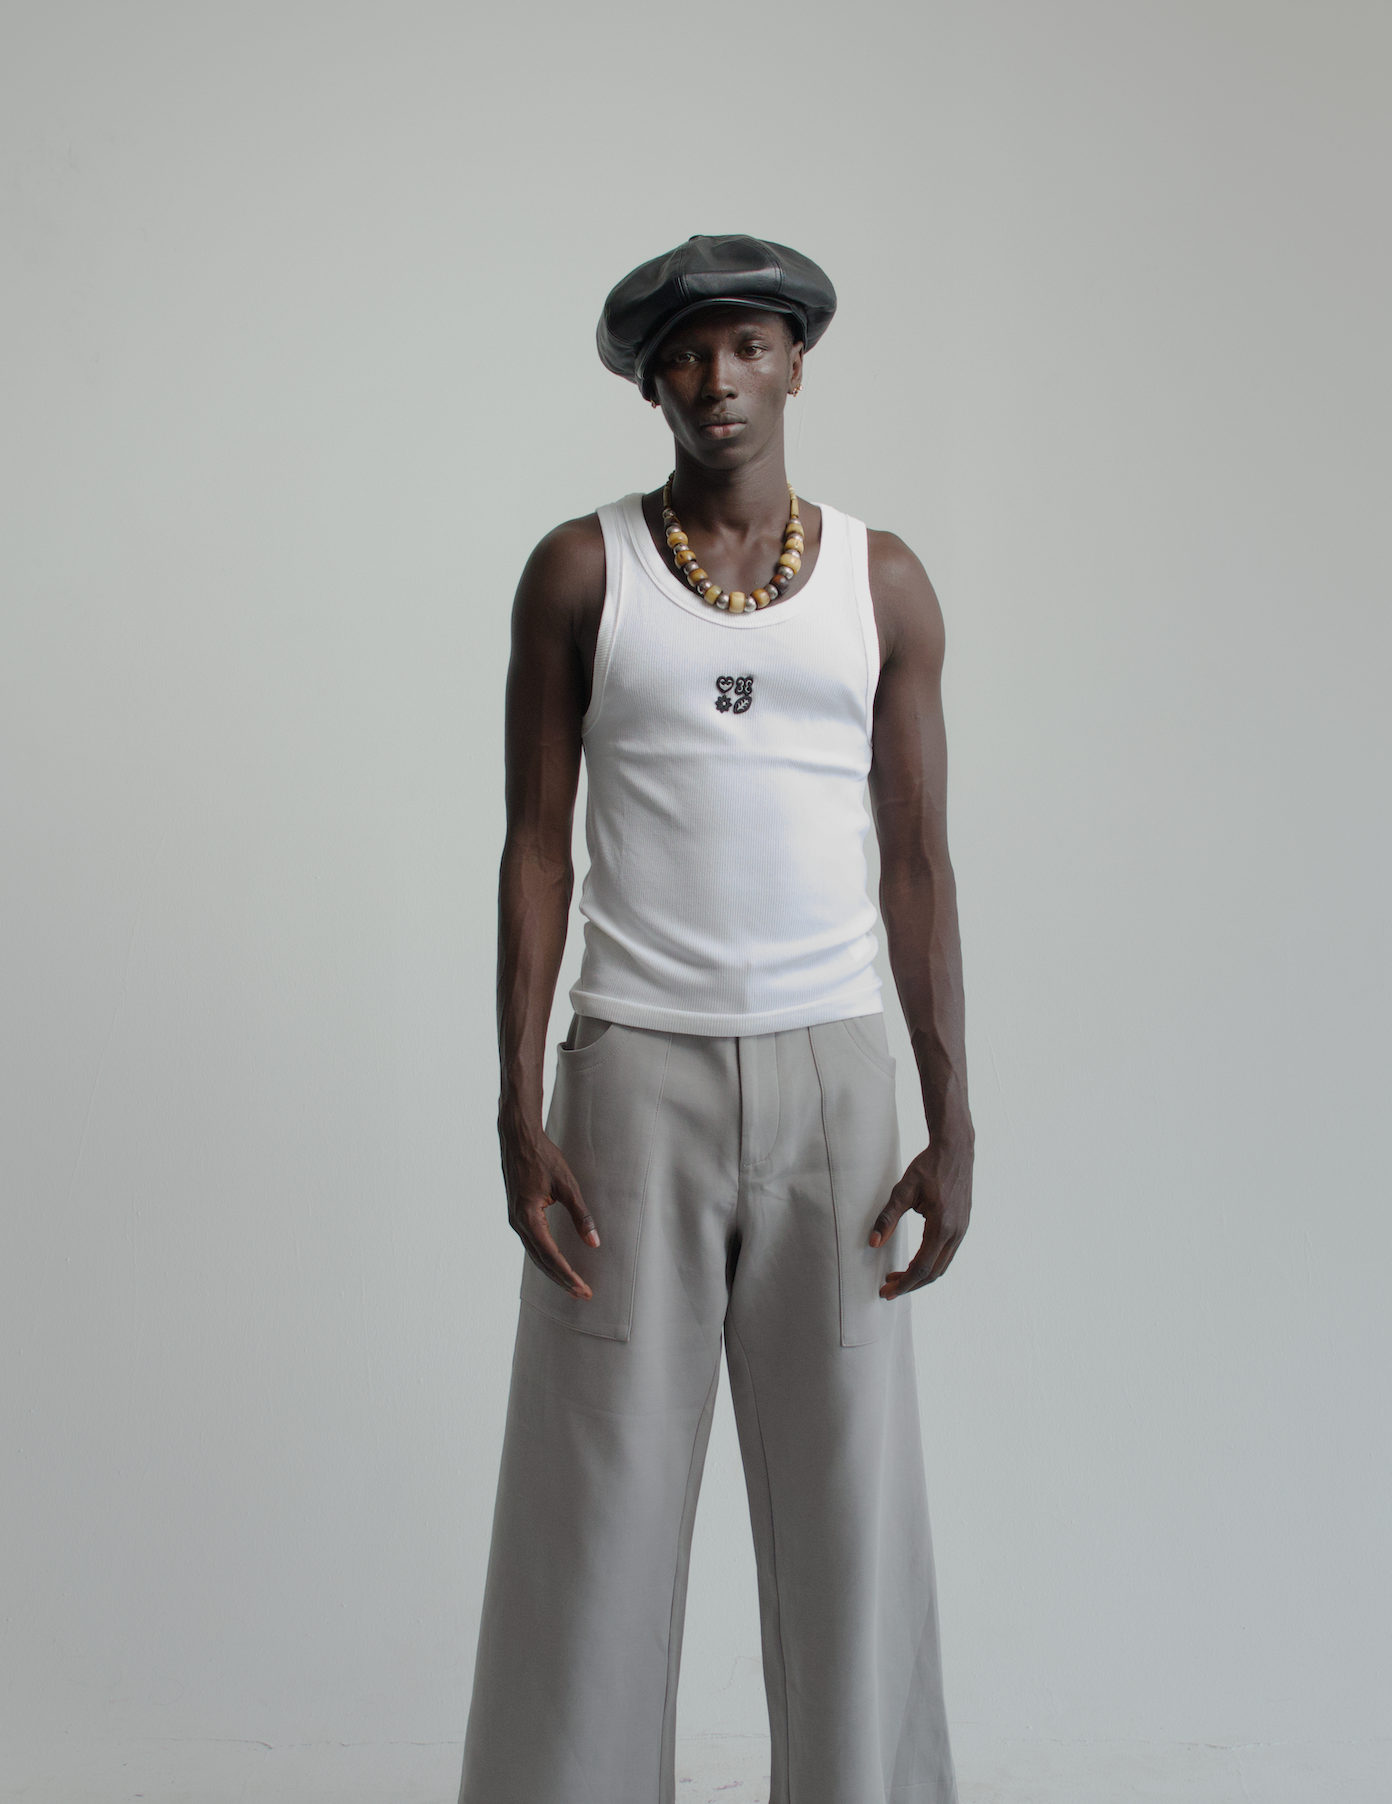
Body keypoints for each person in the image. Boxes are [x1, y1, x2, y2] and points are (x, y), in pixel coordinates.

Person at [458, 234, 974, 1804]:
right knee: (596, 1508)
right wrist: (518, 1102)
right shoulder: (583, 571)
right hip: (632, 1079)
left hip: (835, 1084)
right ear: (649, 382)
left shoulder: (882, 582)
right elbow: (535, 846)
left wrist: (953, 1118)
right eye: (685, 354)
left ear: (797, 362)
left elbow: (917, 859)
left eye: (748, 345)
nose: (718, 379)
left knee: (847, 1510)